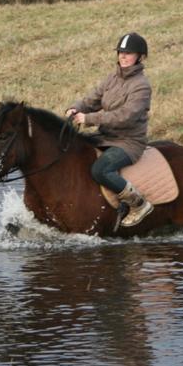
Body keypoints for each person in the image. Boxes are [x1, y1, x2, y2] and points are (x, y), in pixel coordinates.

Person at [66, 32, 154, 227]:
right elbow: (93, 99)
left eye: (128, 53)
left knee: (101, 169)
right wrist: (76, 108)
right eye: (120, 52)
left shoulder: (142, 86)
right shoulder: (112, 77)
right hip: (105, 136)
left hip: (128, 142)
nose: (123, 56)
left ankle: (138, 204)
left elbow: (125, 116)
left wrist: (88, 118)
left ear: (140, 57)